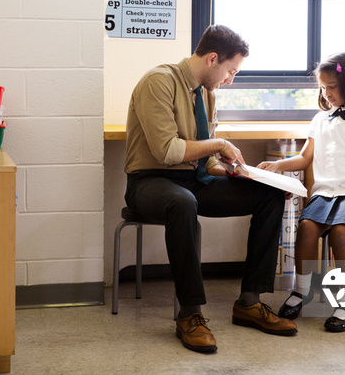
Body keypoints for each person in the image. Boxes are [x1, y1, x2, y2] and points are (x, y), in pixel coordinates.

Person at [124, 24, 296, 354]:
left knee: (269, 195)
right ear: (213, 59)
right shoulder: (158, 82)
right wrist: (218, 143)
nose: (230, 79)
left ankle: (249, 301)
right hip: (148, 182)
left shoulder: (206, 92)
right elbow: (167, 151)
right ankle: (190, 314)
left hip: (193, 181)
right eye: (230, 71)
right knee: (183, 202)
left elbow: (206, 164)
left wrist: (239, 173)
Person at [259, 52, 345, 332]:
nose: (326, 93)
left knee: (341, 235)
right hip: (325, 191)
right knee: (305, 228)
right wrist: (278, 165)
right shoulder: (320, 120)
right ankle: (301, 291)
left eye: (332, 86)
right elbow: (305, 158)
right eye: (322, 87)